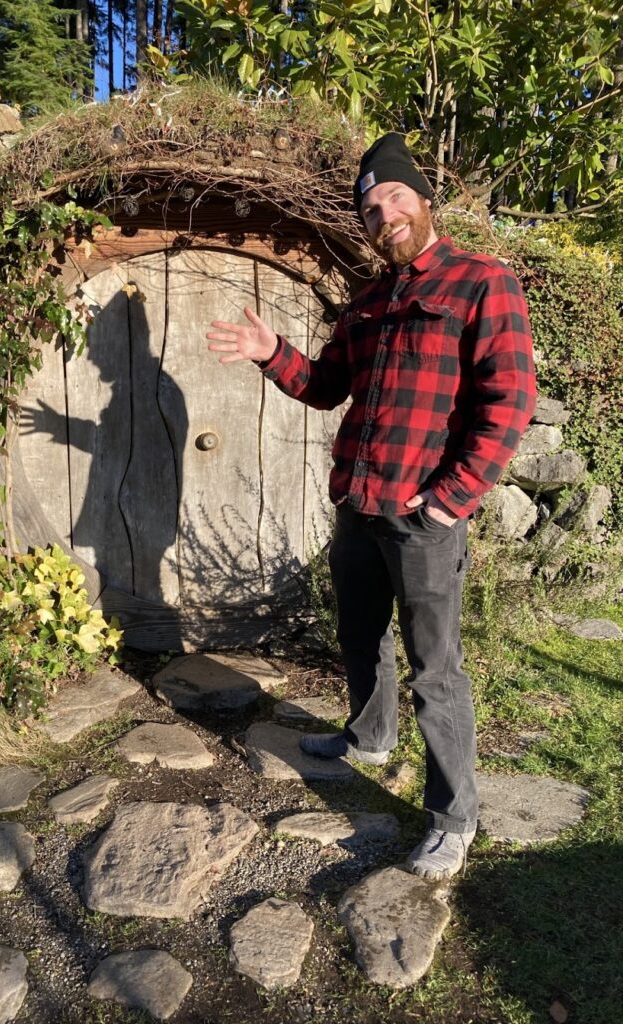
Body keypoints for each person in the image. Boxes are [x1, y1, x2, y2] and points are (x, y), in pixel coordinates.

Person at [206, 133, 536, 880]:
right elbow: (325, 386)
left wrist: (451, 500)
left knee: (436, 672)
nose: (381, 214)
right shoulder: (369, 300)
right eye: (368, 207)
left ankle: (454, 817)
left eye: (393, 198)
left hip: (423, 519)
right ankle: (369, 739)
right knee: (360, 638)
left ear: (423, 202)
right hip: (358, 504)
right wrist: (271, 352)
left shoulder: (482, 282)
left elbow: (511, 400)